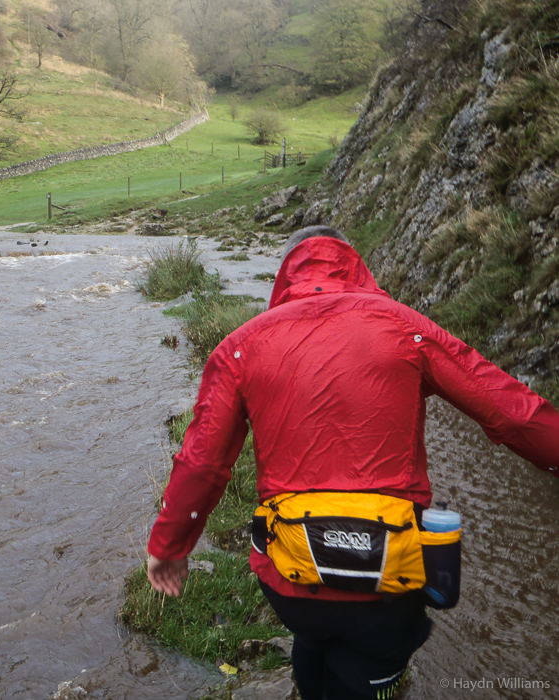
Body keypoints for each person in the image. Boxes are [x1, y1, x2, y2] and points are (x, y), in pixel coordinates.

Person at [146, 226, 559, 699]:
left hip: (293, 582)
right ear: (354, 266)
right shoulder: (407, 327)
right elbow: (514, 413)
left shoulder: (241, 346)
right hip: (386, 590)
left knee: (313, 629)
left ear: (284, 274)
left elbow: (202, 463)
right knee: (366, 663)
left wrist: (170, 545)